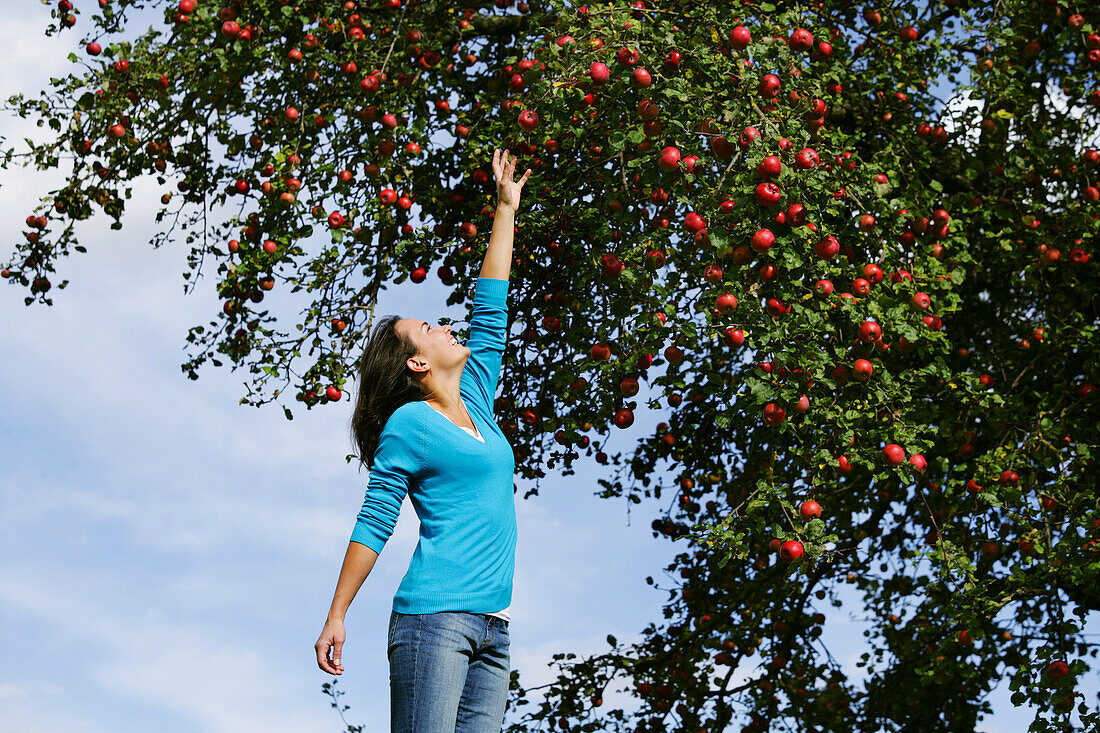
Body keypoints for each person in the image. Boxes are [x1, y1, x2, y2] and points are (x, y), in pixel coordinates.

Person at [315, 148, 533, 733]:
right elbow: (376, 517)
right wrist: (338, 614)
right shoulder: (409, 427)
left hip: (495, 626)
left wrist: (504, 208)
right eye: (427, 328)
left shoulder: (478, 400)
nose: (442, 325)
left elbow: (492, 308)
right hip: (434, 622)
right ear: (415, 362)